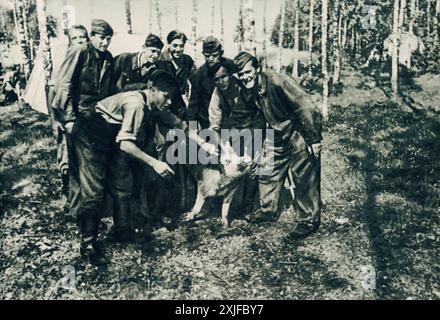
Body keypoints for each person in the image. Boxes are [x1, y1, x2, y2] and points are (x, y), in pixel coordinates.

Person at [71, 70, 177, 265]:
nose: (169, 102)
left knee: (122, 184)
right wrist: (155, 163)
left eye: (172, 97)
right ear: (152, 89)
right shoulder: (136, 104)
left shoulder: (153, 103)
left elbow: (180, 125)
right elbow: (126, 145)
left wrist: (205, 145)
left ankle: (123, 231)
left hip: (111, 137)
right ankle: (88, 245)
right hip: (89, 134)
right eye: (166, 96)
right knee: (94, 188)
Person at [233, 52, 323, 238]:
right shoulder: (247, 89)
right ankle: (268, 210)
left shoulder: (277, 81)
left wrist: (314, 139)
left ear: (257, 68)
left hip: (298, 132)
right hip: (276, 133)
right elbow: (243, 117)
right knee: (267, 170)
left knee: (303, 177)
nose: (245, 77)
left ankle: (308, 220)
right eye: (241, 74)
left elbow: (306, 106)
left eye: (248, 72)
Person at [208, 60, 266, 216]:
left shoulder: (243, 84)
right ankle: (223, 201)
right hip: (233, 131)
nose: (221, 82)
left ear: (230, 75)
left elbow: (261, 109)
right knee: (230, 163)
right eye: (217, 79)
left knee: (254, 164)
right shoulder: (217, 94)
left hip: (255, 127)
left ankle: (248, 206)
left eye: (224, 77)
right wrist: (224, 146)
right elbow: (214, 126)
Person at [49, 24, 89, 214]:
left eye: (83, 37)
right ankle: (67, 196)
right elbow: (54, 92)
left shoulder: (88, 58)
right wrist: (54, 120)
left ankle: (79, 200)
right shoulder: (66, 59)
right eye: (75, 38)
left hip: (81, 117)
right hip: (65, 116)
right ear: (69, 41)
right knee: (66, 159)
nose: (80, 41)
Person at [188, 36, 235, 130]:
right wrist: (192, 130)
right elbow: (193, 105)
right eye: (207, 55)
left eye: (214, 55)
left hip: (230, 117)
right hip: (207, 120)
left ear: (221, 53)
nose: (210, 59)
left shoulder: (231, 66)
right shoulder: (198, 75)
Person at [157, 30, 195, 110]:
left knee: (192, 117)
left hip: (181, 100)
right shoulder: (160, 61)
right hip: (164, 102)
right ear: (168, 44)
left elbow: (196, 79)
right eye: (175, 45)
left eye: (181, 46)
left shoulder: (187, 60)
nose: (178, 49)